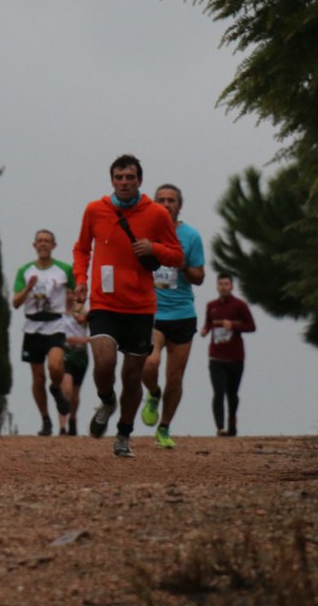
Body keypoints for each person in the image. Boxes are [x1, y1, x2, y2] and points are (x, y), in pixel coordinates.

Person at [73, 154, 183, 458]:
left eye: (130, 178)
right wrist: (81, 279)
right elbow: (82, 249)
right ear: (112, 180)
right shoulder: (95, 211)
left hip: (140, 307)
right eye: (119, 177)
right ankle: (107, 401)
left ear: (139, 181)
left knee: (133, 376)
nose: (124, 183)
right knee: (104, 361)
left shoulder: (157, 214)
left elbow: (176, 256)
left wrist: (154, 248)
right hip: (104, 303)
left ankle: (123, 433)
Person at [140, 184, 205, 449]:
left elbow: (200, 277)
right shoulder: (145, 233)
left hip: (182, 313)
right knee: (150, 364)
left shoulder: (191, 236)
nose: (166, 204)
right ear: (153, 204)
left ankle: (164, 427)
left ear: (180, 205)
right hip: (152, 312)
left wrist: (183, 266)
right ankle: (153, 393)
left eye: (171, 200)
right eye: (161, 200)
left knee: (175, 376)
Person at [12, 229, 75, 436]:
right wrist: (28, 289)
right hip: (32, 327)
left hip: (55, 324)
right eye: (39, 241)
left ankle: (56, 388)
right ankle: (46, 420)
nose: (43, 244)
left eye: (47, 241)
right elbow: (15, 303)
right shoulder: (25, 270)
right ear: (34, 246)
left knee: (56, 366)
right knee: (38, 377)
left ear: (54, 245)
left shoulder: (64, 269)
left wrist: (75, 305)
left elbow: (78, 291)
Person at [200, 273, 255, 437]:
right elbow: (209, 323)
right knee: (218, 392)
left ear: (231, 286)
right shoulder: (211, 306)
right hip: (216, 357)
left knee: (232, 393)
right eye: (220, 284)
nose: (223, 287)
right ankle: (220, 427)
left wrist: (233, 326)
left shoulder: (240, 305)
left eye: (226, 284)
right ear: (217, 286)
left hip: (236, 357)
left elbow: (251, 326)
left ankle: (232, 422)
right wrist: (205, 330)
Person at [58, 288, 91, 436]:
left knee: (75, 394)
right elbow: (65, 338)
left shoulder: (82, 313)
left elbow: (95, 316)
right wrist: (87, 340)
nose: (69, 296)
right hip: (66, 353)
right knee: (66, 388)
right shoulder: (58, 314)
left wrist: (83, 314)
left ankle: (73, 418)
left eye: (72, 292)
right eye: (66, 292)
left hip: (81, 355)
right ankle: (62, 426)